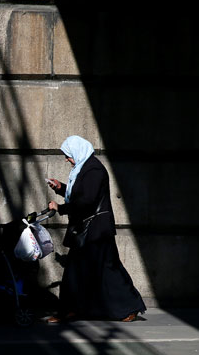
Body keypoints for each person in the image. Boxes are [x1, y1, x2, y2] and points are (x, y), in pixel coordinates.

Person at [45, 135, 146, 323]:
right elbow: (80, 195)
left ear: (77, 151)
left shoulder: (93, 169)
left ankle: (126, 308)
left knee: (105, 270)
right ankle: (72, 310)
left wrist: (60, 208)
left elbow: (86, 201)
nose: (67, 159)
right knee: (88, 271)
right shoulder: (85, 168)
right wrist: (60, 188)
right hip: (91, 230)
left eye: (68, 155)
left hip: (95, 231)